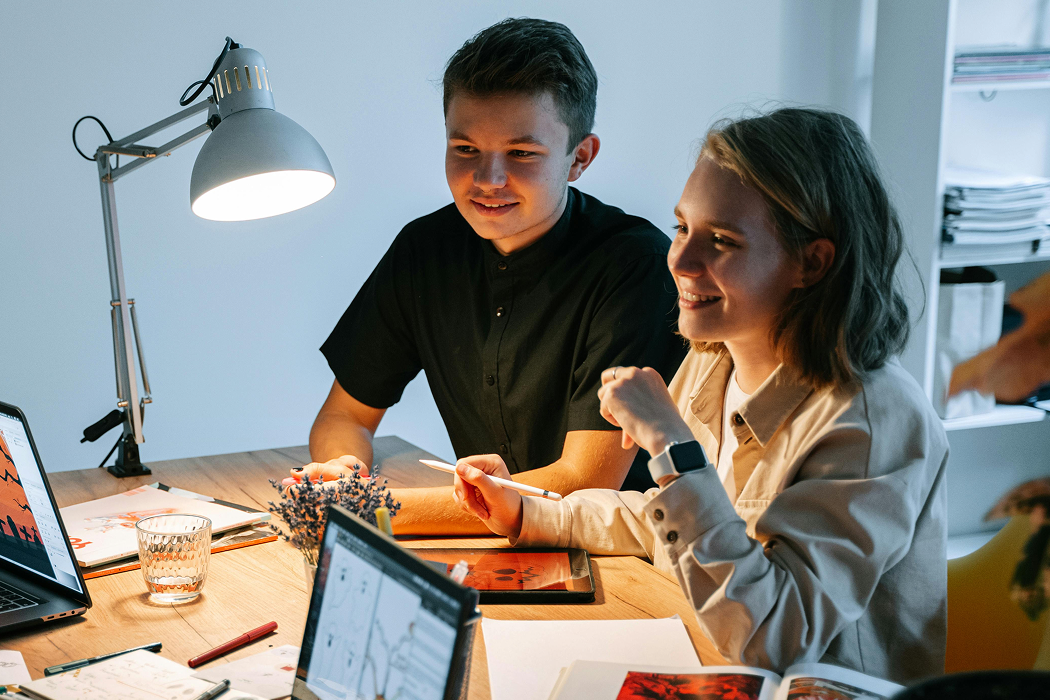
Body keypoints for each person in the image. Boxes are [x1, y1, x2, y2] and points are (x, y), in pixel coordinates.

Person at [452, 108, 949, 683]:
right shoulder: (716, 360)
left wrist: (672, 446)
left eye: (722, 241)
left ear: (811, 263)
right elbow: (674, 525)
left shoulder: (871, 418)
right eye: (682, 228)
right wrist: (532, 510)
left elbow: (772, 640)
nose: (681, 262)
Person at [294, 17, 685, 534]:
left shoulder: (636, 265)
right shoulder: (424, 250)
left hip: (623, 556)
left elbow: (585, 482)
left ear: (579, 158)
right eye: (465, 150)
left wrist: (368, 510)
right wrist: (346, 473)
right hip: (492, 549)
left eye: (521, 153)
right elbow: (344, 417)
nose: (487, 179)